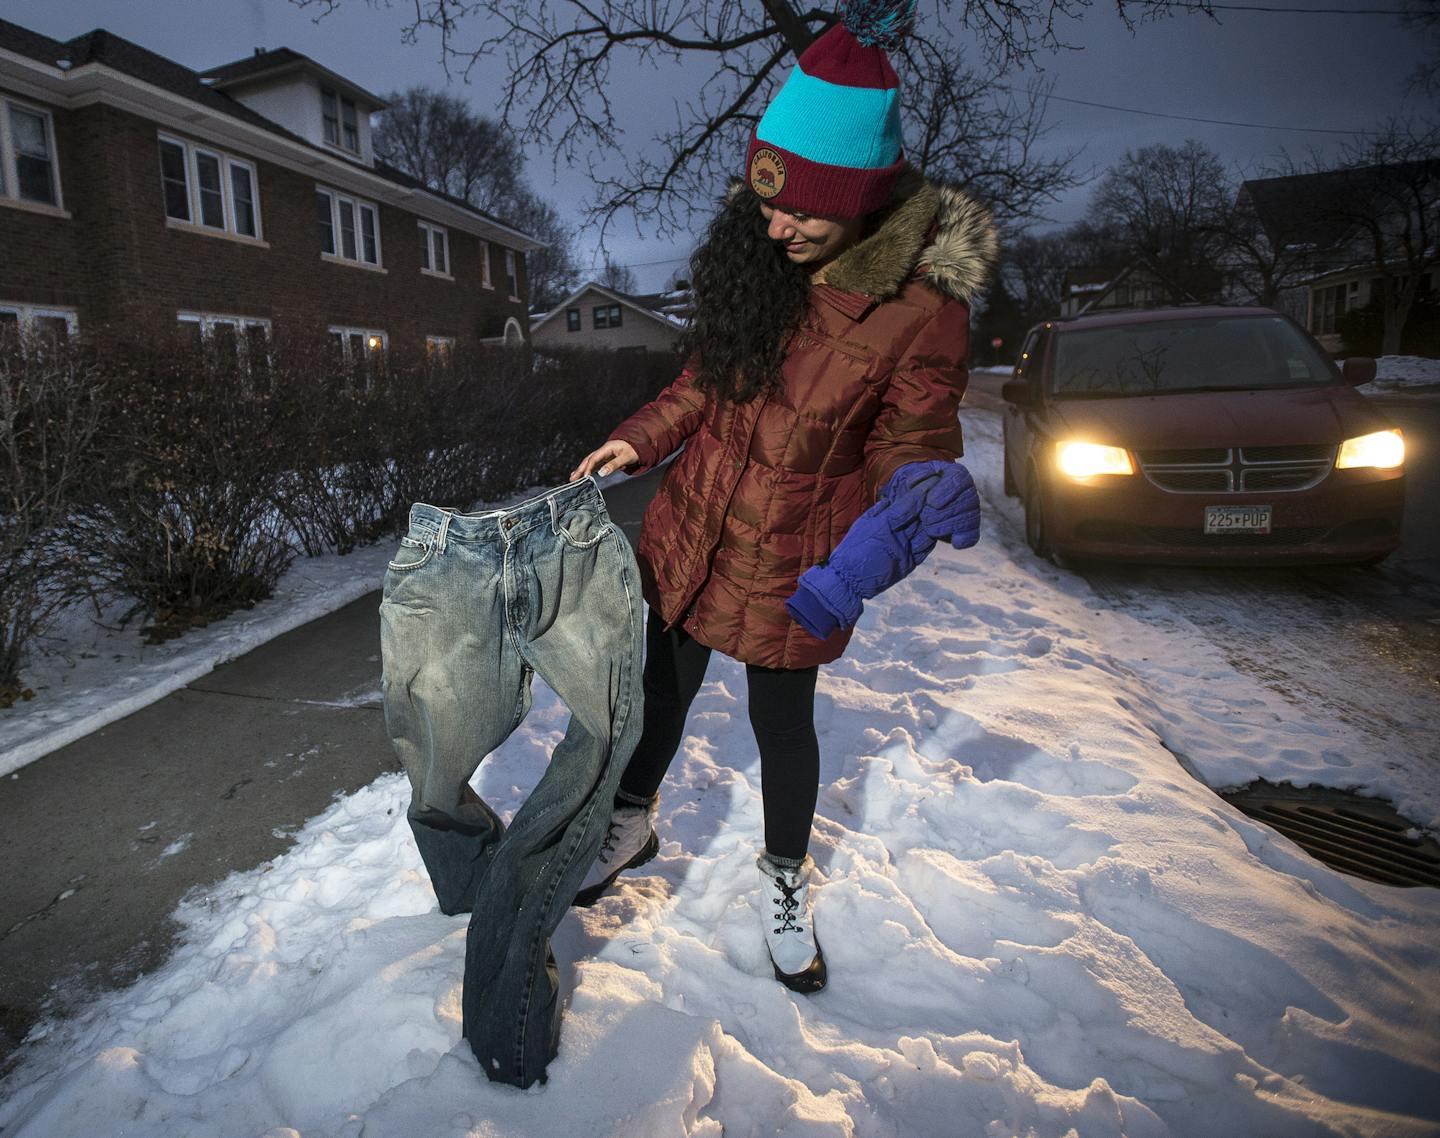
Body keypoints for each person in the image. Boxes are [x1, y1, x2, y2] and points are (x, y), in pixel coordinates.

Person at [569, 0, 997, 993]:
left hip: (797, 557)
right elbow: (703, 383)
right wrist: (639, 437)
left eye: (800, 210)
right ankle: (631, 823)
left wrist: (916, 491)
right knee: (659, 692)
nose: (777, 226)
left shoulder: (919, 309)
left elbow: (909, 438)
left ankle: (785, 879)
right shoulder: (757, 258)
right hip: (695, 526)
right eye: (768, 205)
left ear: (863, 201)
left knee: (782, 726)